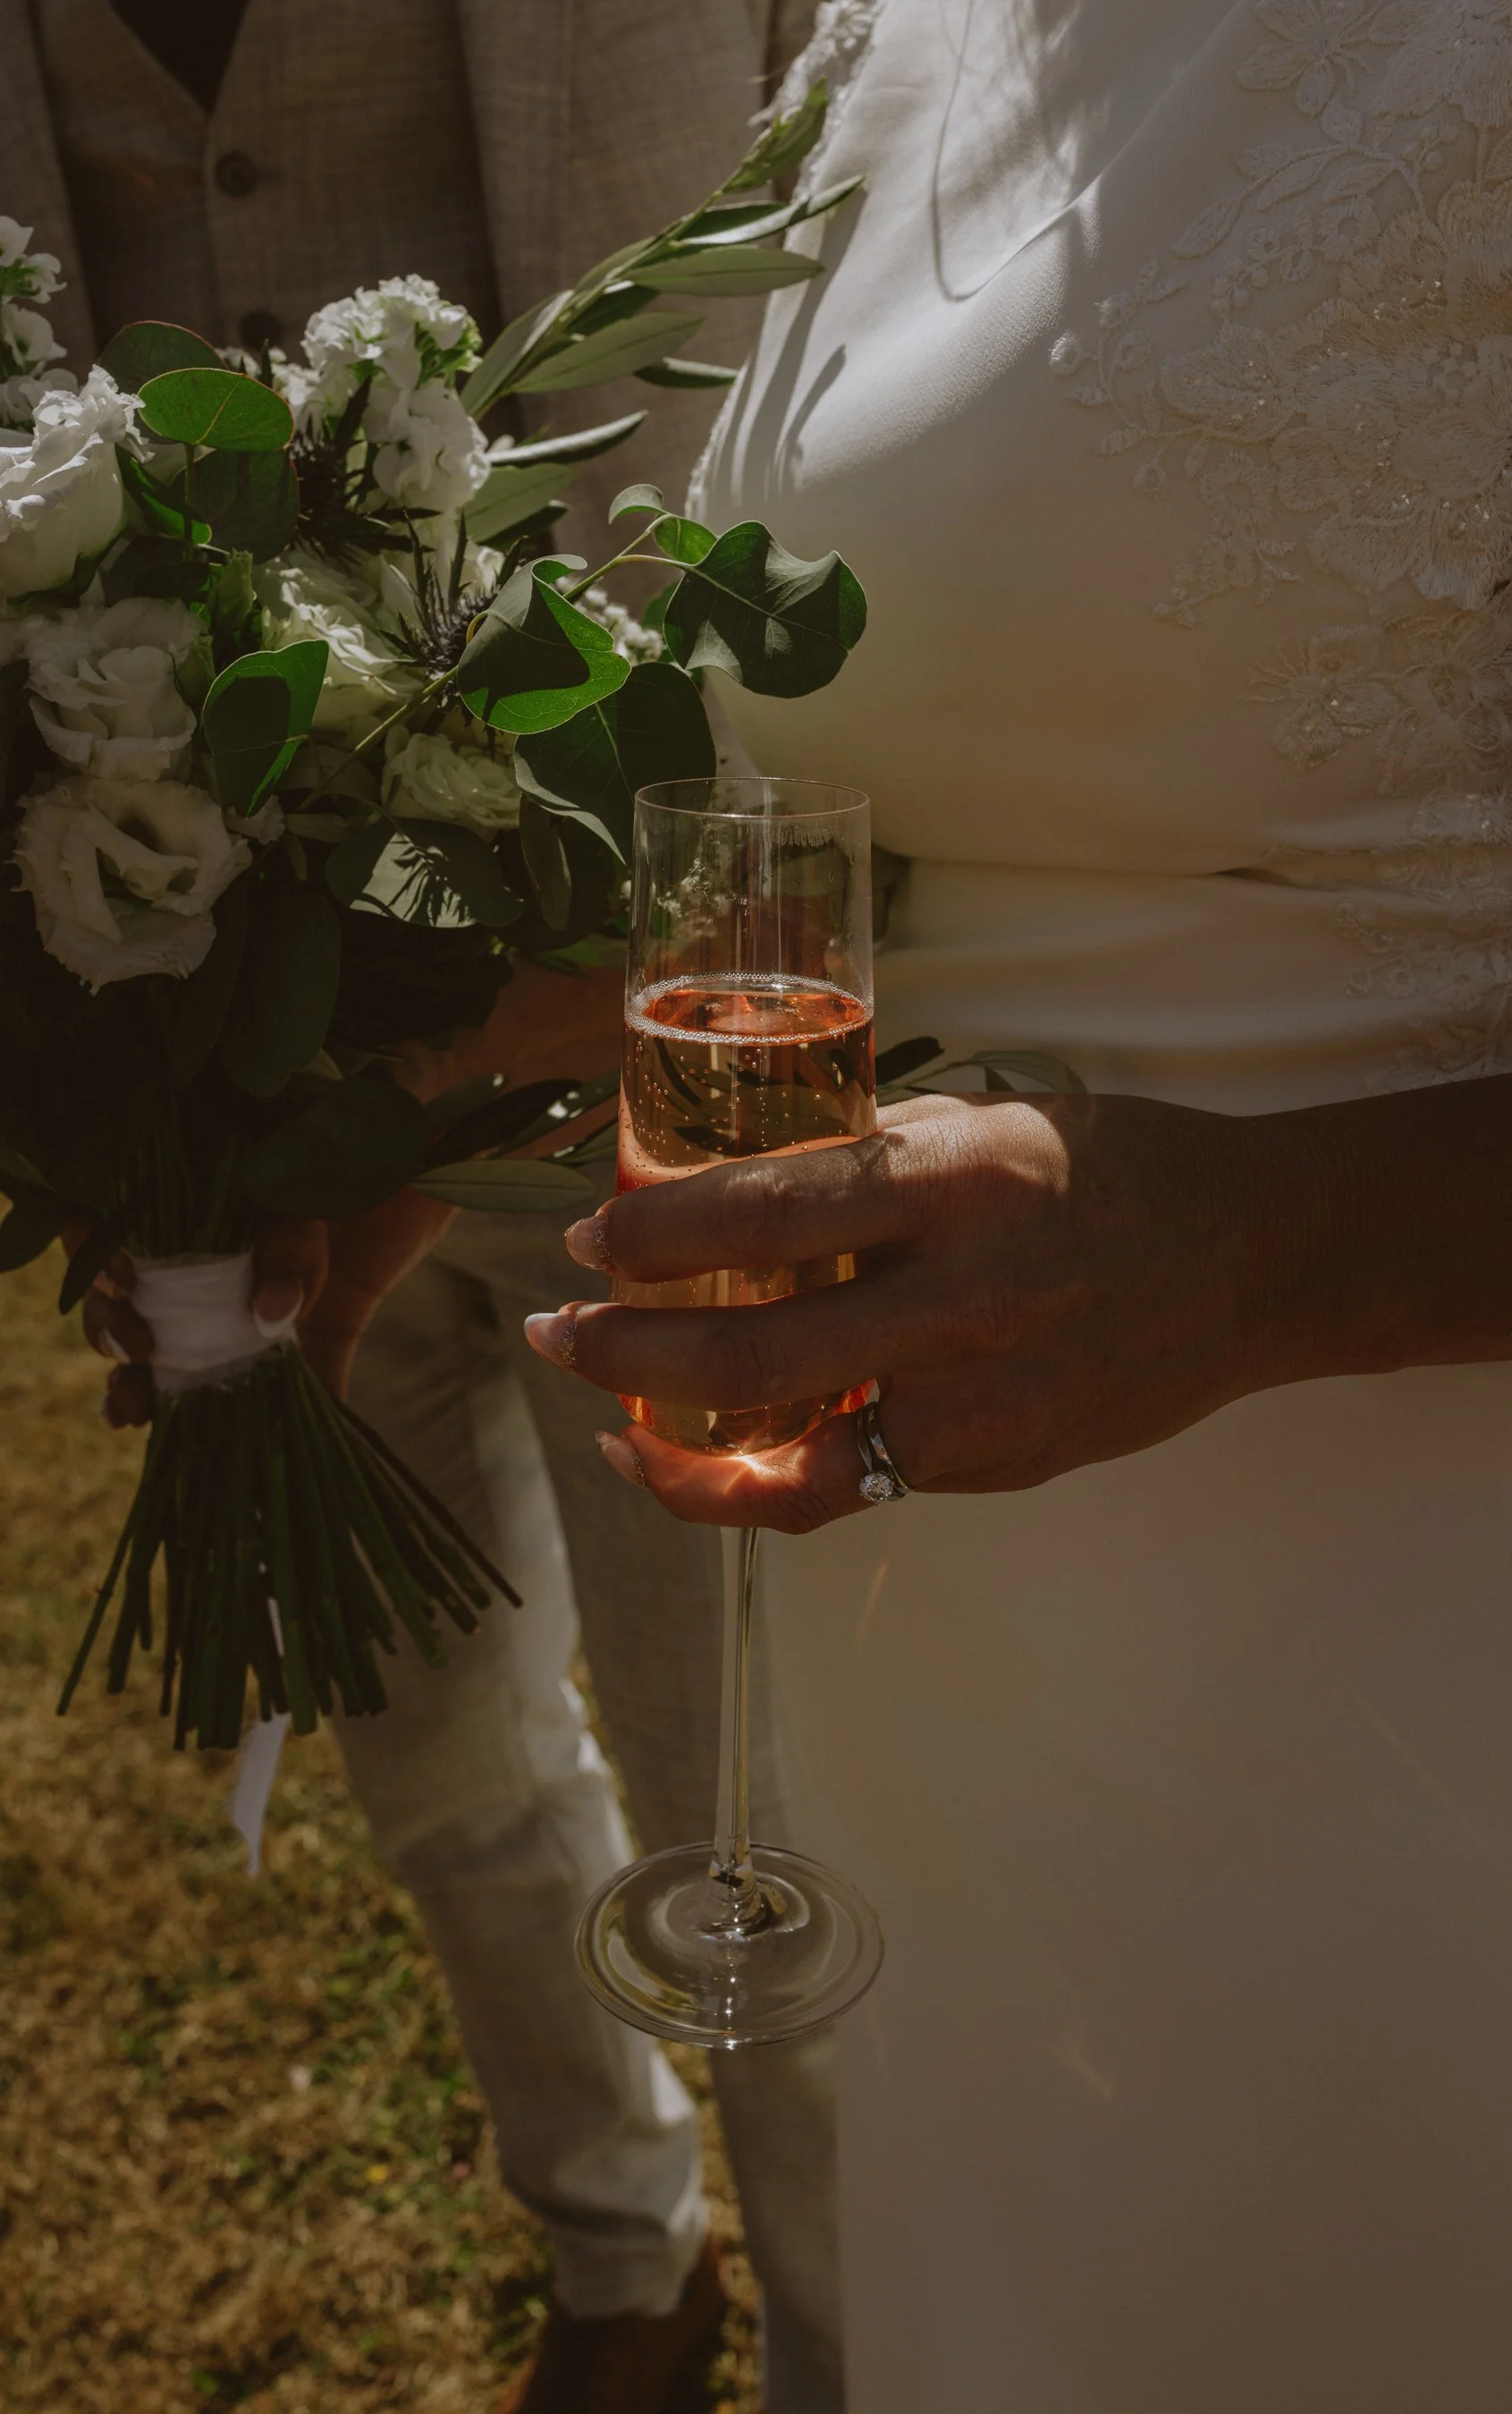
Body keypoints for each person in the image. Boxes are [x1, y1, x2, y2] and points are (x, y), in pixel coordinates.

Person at [519, 3, 1512, 2407]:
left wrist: (1249, 1251)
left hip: (1433, 1682)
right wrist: (375, 1075)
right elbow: (917, 756)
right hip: (976, 1630)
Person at [3, 5, 842, 2410]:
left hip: (645, 994)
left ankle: (856, 2339)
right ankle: (613, 2249)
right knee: (435, 1750)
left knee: (739, 1784)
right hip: (185, 1049)